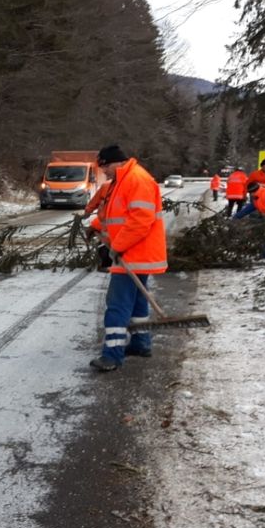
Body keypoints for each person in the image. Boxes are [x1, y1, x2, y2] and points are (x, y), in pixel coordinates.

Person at [87, 144, 167, 372]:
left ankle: (112, 355)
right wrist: (95, 226)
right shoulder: (124, 180)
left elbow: (140, 221)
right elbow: (116, 214)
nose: (105, 173)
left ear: (114, 162)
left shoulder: (136, 179)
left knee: (117, 304)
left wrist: (117, 247)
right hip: (135, 252)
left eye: (105, 168)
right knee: (137, 302)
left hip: (134, 253)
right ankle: (141, 344)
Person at [83, 180, 113, 270]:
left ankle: (106, 264)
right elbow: (95, 201)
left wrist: (93, 226)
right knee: (105, 242)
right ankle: (104, 264)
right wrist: (88, 211)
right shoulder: (105, 186)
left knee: (108, 242)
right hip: (105, 223)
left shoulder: (127, 187)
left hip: (114, 225)